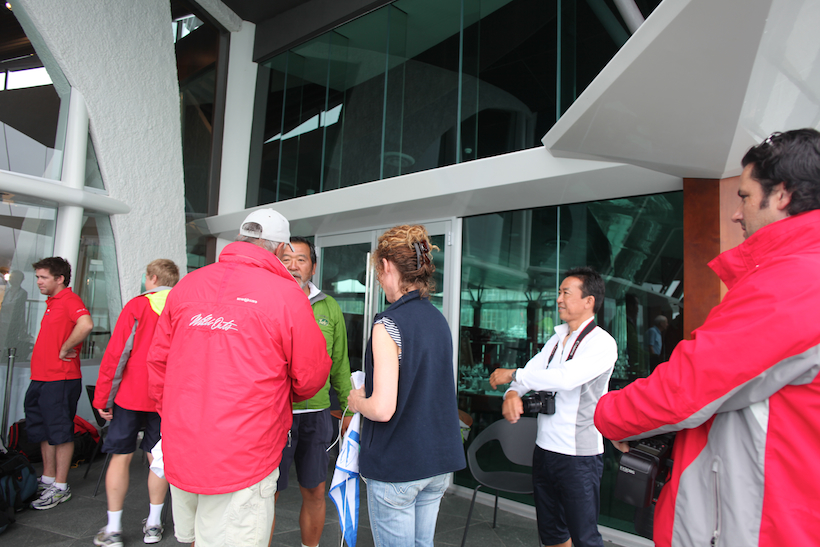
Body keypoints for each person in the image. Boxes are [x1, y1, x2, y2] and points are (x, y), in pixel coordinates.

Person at [593, 128, 820, 547]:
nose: (736, 213)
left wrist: (609, 414)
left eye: (745, 196)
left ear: (782, 195)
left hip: (759, 525)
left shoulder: (794, 282)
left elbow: (685, 388)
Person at [146, 209, 331, 547]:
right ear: (280, 248)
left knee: (194, 538)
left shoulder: (187, 285)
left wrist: (177, 417)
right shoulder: (286, 294)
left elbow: (158, 365)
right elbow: (311, 376)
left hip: (183, 447)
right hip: (244, 454)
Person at [348, 224, 465, 547]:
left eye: (379, 271)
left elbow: (382, 409)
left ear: (387, 266)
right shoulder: (438, 320)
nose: (379, 279)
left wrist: (357, 401)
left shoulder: (388, 324)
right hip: (437, 462)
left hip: (398, 464)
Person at [489, 267, 617, 547]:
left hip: (578, 457)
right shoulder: (557, 339)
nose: (559, 299)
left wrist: (514, 375)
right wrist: (512, 394)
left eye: (566, 293)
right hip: (545, 451)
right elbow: (532, 370)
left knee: (585, 537)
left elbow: (565, 378)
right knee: (552, 534)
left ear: (589, 301)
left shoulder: (602, 343)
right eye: (559, 292)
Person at [92, 259, 180, 547]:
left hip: (131, 394)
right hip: (165, 397)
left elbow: (117, 354)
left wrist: (103, 396)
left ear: (151, 278)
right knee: (158, 459)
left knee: (121, 456)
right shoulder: (182, 307)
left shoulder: (138, 305)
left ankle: (113, 529)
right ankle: (154, 525)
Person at [272, 236, 353, 547]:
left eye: (301, 259)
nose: (293, 266)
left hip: (316, 414)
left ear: (313, 267)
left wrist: (348, 409)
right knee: (268, 493)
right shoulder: (268, 299)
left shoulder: (328, 306)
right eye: (286, 259)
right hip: (274, 415)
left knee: (316, 489)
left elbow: (340, 363)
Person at [25, 257, 93, 509]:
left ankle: (61, 487)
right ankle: (48, 478)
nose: (39, 282)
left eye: (43, 277)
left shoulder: (69, 299)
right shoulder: (53, 302)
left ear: (60, 278)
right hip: (41, 378)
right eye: (38, 277)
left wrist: (65, 347)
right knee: (44, 430)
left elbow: (86, 324)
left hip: (60, 379)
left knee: (60, 432)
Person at [0, 270, 30, 358]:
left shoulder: (22, 293)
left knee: (10, 342)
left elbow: (18, 308)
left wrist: (23, 326)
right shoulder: (5, 291)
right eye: (12, 278)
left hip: (13, 322)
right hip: (2, 321)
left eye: (16, 278)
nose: (13, 280)